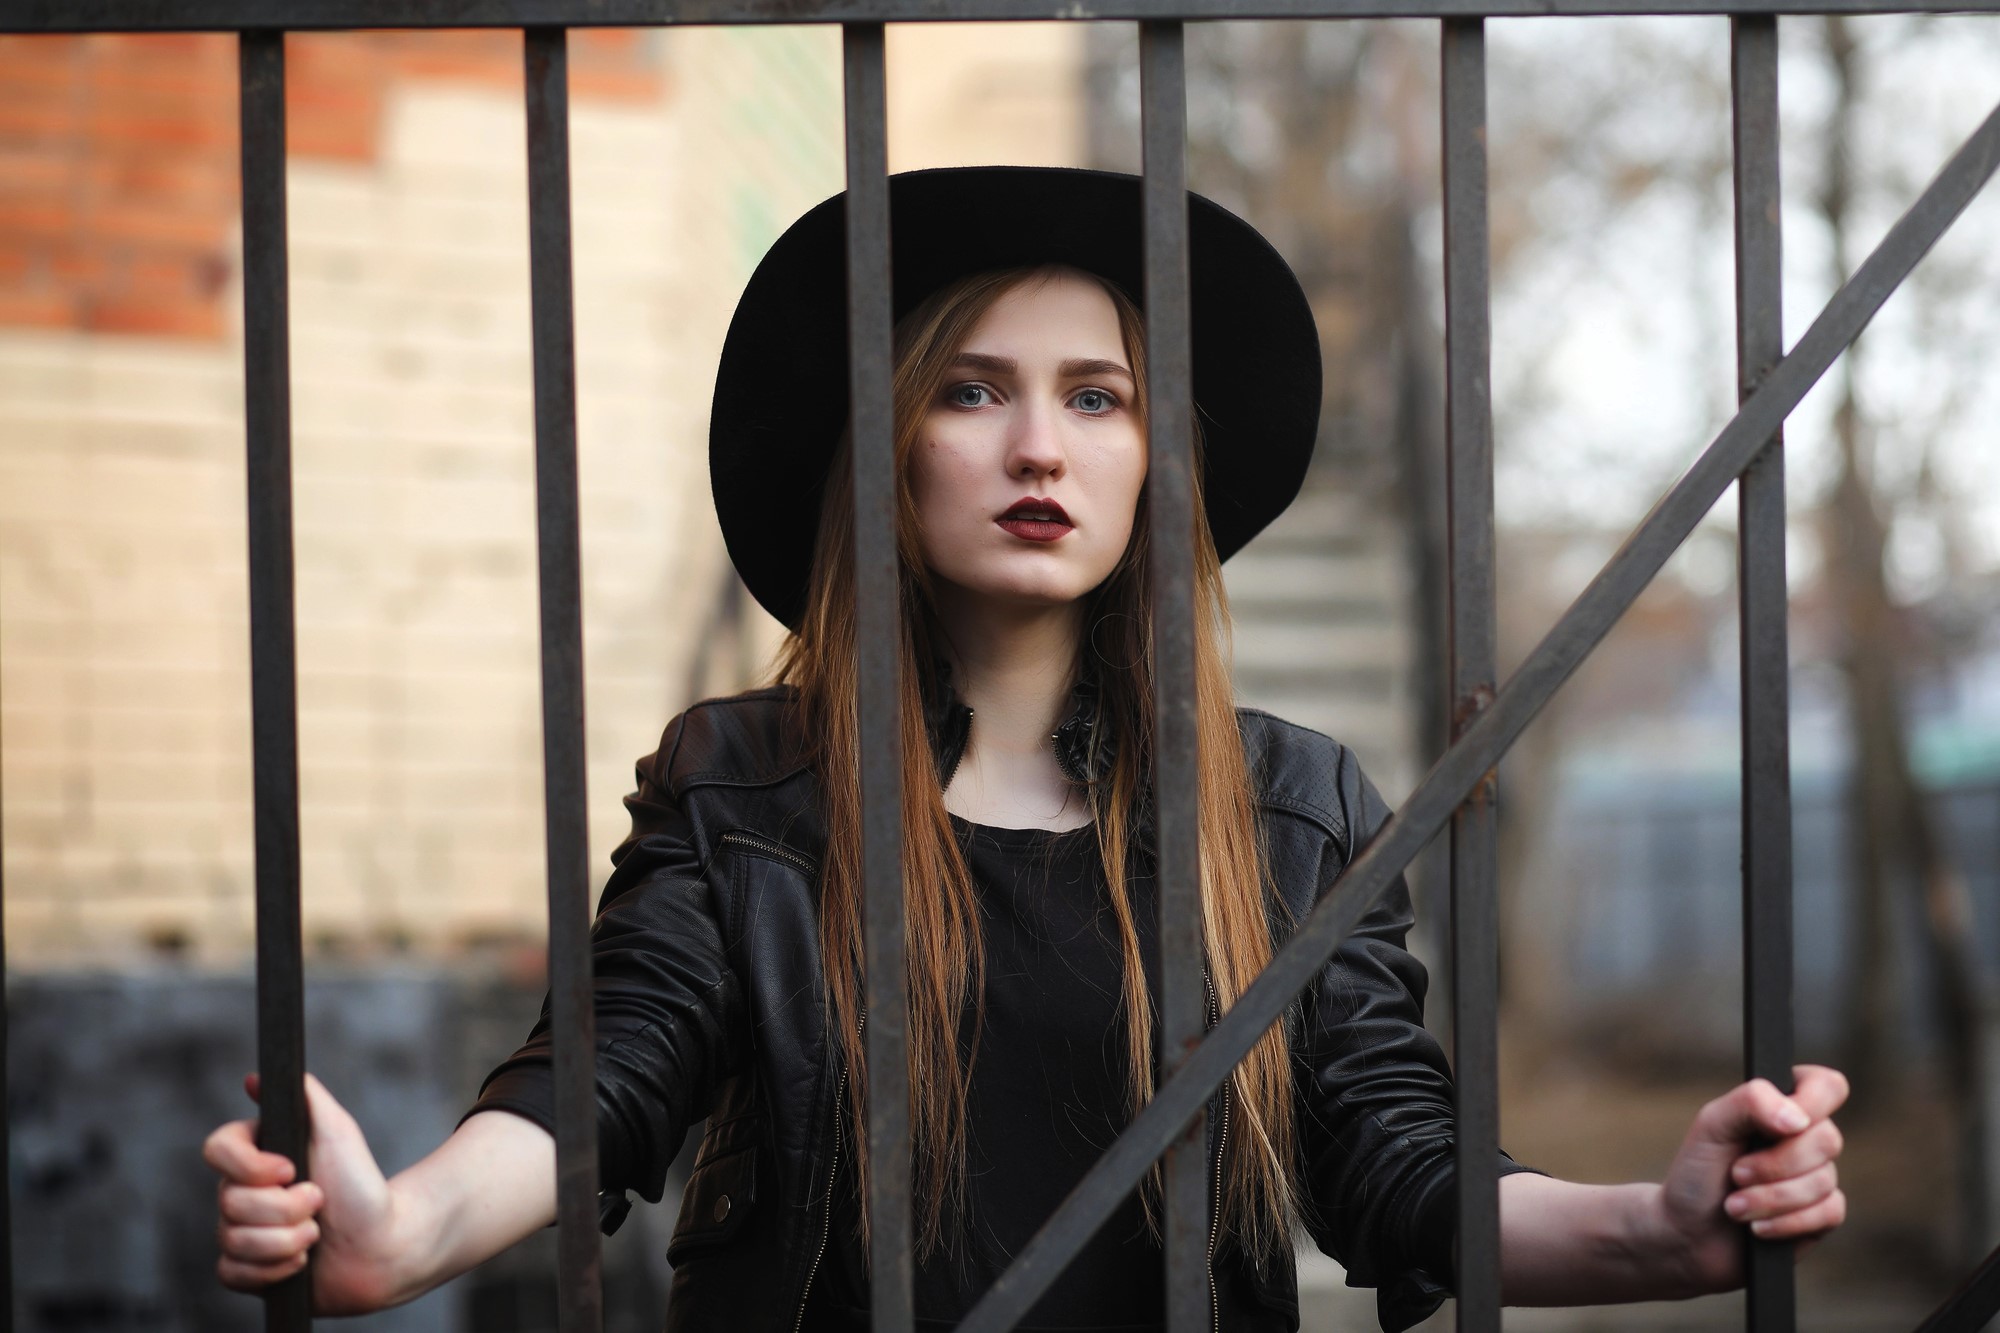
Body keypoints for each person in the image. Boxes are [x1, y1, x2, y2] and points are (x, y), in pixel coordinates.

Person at [203, 166, 1848, 1332]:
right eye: (976, 390)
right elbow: (606, 1078)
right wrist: (400, 1227)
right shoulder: (743, 789)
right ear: (893, 441)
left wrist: (1663, 1222)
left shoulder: (1284, 808)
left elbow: (1397, 1165)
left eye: (1101, 395)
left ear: (1155, 464)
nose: (1042, 444)